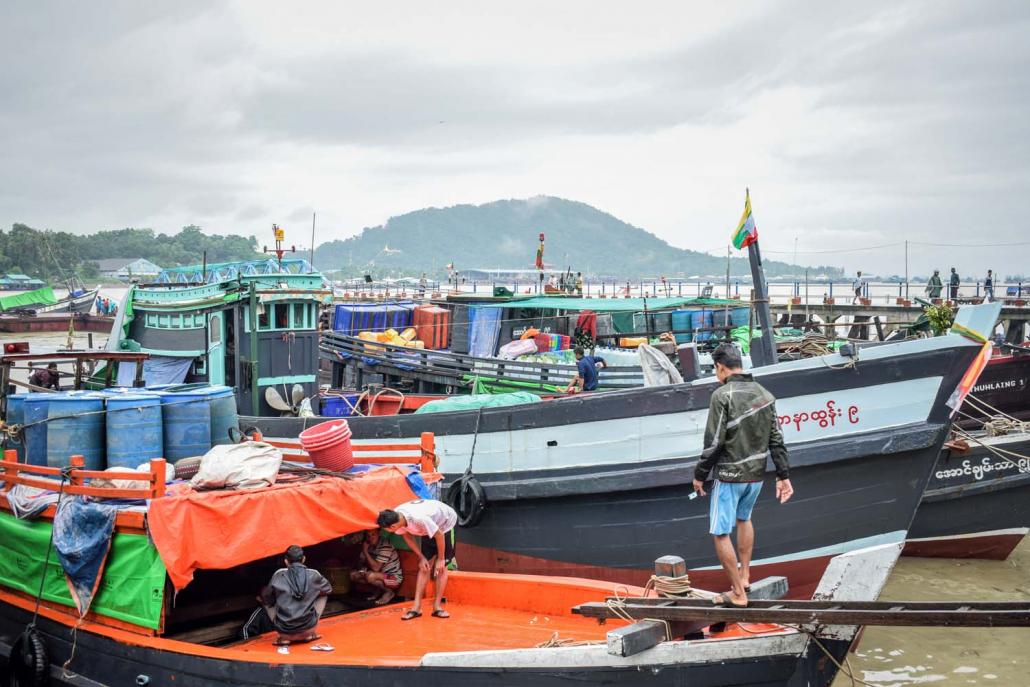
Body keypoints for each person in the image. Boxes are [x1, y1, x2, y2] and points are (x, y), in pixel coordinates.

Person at [692, 344, 792, 609]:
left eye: (716, 369)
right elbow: (777, 440)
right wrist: (783, 475)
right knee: (744, 519)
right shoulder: (765, 394)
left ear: (721, 368)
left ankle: (738, 592)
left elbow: (713, 442)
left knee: (720, 532)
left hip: (729, 476)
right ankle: (745, 576)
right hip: (756, 477)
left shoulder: (722, 395)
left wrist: (700, 474)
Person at [377, 499, 458, 620]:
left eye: (387, 529)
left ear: (393, 526)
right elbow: (407, 536)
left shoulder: (419, 519)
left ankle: (437, 607)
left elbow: (439, 535)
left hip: (445, 523)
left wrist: (441, 559)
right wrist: (421, 557)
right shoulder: (397, 517)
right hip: (428, 527)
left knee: (442, 566)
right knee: (424, 566)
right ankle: (416, 608)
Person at [258, 545, 332, 646]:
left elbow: (266, 597)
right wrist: (309, 594)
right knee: (323, 595)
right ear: (304, 559)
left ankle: (284, 638)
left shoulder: (278, 575)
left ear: (286, 561)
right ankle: (309, 634)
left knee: (266, 602)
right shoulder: (314, 574)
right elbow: (328, 590)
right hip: (308, 630)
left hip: (284, 633)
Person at [350, 529, 403, 606]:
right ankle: (379, 591)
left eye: (373, 534)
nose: (370, 538)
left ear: (379, 533)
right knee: (353, 575)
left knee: (370, 576)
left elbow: (376, 568)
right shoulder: (369, 545)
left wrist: (365, 551)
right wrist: (362, 568)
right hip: (379, 575)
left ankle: (389, 592)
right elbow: (361, 563)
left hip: (393, 579)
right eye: (368, 535)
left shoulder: (385, 545)